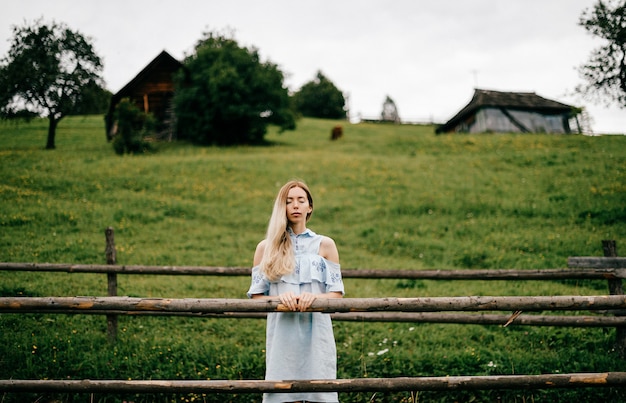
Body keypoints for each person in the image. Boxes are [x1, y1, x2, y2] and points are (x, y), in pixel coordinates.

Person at [247, 180, 345, 403]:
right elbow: (257, 296)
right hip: (283, 333)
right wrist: (280, 298)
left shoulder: (325, 245)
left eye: (301, 200)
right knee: (282, 392)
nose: (295, 205)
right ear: (282, 207)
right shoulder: (266, 248)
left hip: (317, 332)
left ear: (310, 206)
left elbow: (337, 293)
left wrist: (315, 298)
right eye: (289, 201)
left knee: (320, 391)